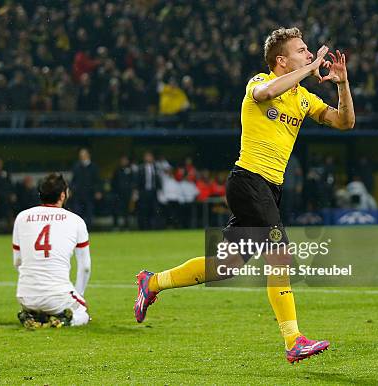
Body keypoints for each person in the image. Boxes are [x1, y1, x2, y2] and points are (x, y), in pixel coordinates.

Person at [134, 27, 355, 363]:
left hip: (269, 188)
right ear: (282, 60)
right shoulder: (259, 81)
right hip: (248, 180)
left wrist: (342, 85)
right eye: (302, 50)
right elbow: (265, 94)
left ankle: (152, 283)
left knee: (224, 266)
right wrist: (308, 72)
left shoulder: (303, 98)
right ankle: (293, 340)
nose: (310, 55)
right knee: (280, 253)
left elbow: (344, 122)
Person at [13, 173, 91, 328]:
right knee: (83, 312)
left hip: (25, 295)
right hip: (58, 296)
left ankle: (33, 314)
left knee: (41, 301)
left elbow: (17, 262)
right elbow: (85, 266)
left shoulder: (22, 217)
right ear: (62, 195)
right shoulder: (76, 221)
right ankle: (64, 320)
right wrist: (79, 295)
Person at [70, 148, 102, 228]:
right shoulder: (76, 167)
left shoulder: (94, 167)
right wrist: (71, 189)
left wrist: (98, 191)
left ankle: (89, 230)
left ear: (88, 155)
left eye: (83, 155)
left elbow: (97, 181)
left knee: (89, 214)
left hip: (89, 194)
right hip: (78, 195)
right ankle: (78, 231)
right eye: (80, 155)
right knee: (77, 214)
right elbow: (73, 180)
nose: (81, 157)